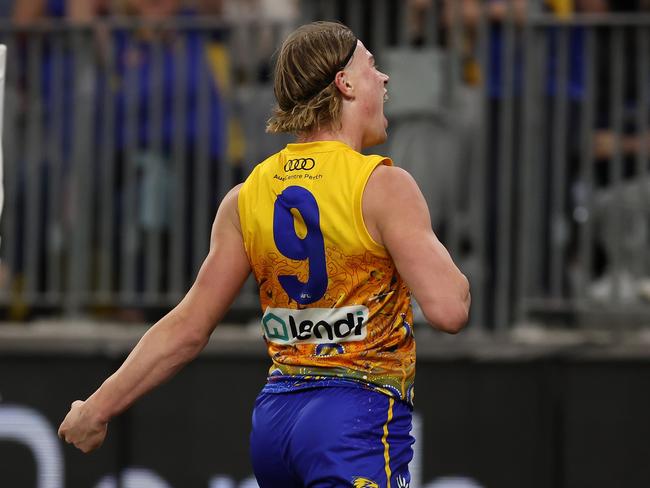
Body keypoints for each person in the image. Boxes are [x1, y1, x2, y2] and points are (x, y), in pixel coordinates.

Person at [58, 21, 471, 487]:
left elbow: (188, 327)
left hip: (276, 420)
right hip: (356, 415)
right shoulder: (383, 186)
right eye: (372, 66)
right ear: (345, 82)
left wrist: (96, 408)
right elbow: (449, 309)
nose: (385, 78)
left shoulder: (247, 195)